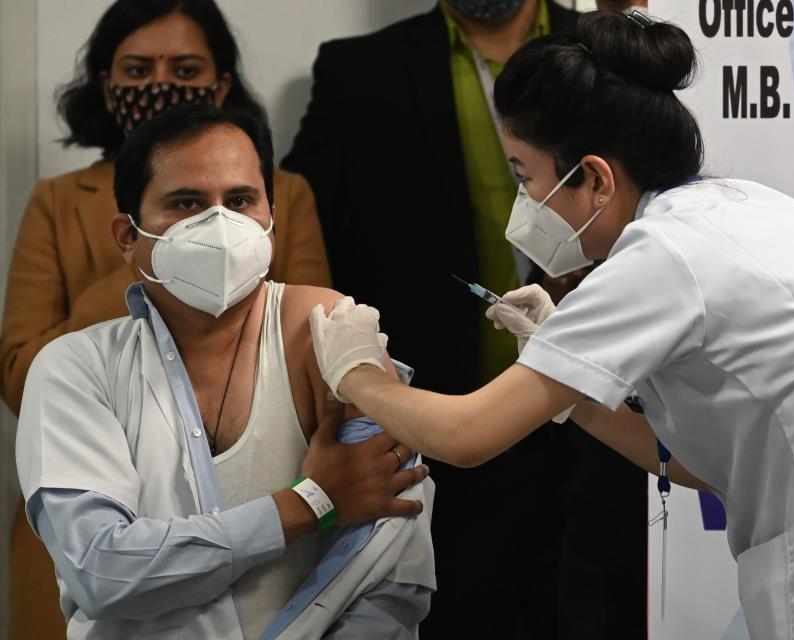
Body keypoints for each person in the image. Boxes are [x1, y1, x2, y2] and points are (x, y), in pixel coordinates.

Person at [309, 10, 794, 640]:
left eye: (525, 176)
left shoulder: (659, 254)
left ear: (593, 177)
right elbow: (697, 463)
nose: (525, 203)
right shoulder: (741, 206)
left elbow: (467, 435)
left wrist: (356, 369)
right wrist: (570, 392)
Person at [15, 104, 435, 639]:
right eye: (186, 203)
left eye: (240, 201)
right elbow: (102, 571)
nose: (219, 224)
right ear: (127, 236)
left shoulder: (329, 334)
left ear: (271, 217)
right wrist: (310, 502)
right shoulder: (76, 368)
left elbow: (391, 573)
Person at [1, 2, 331, 637]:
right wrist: (154, 263)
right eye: (138, 68)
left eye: (185, 69)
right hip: (94, 531)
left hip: (271, 550)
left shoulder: (283, 192)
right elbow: (19, 374)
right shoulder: (60, 202)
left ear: (221, 84)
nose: (161, 85)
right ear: (106, 85)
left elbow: (317, 341)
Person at [283, 2, 610, 638]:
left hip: (601, 423)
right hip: (437, 437)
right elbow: (301, 217)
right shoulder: (361, 73)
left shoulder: (612, 48)